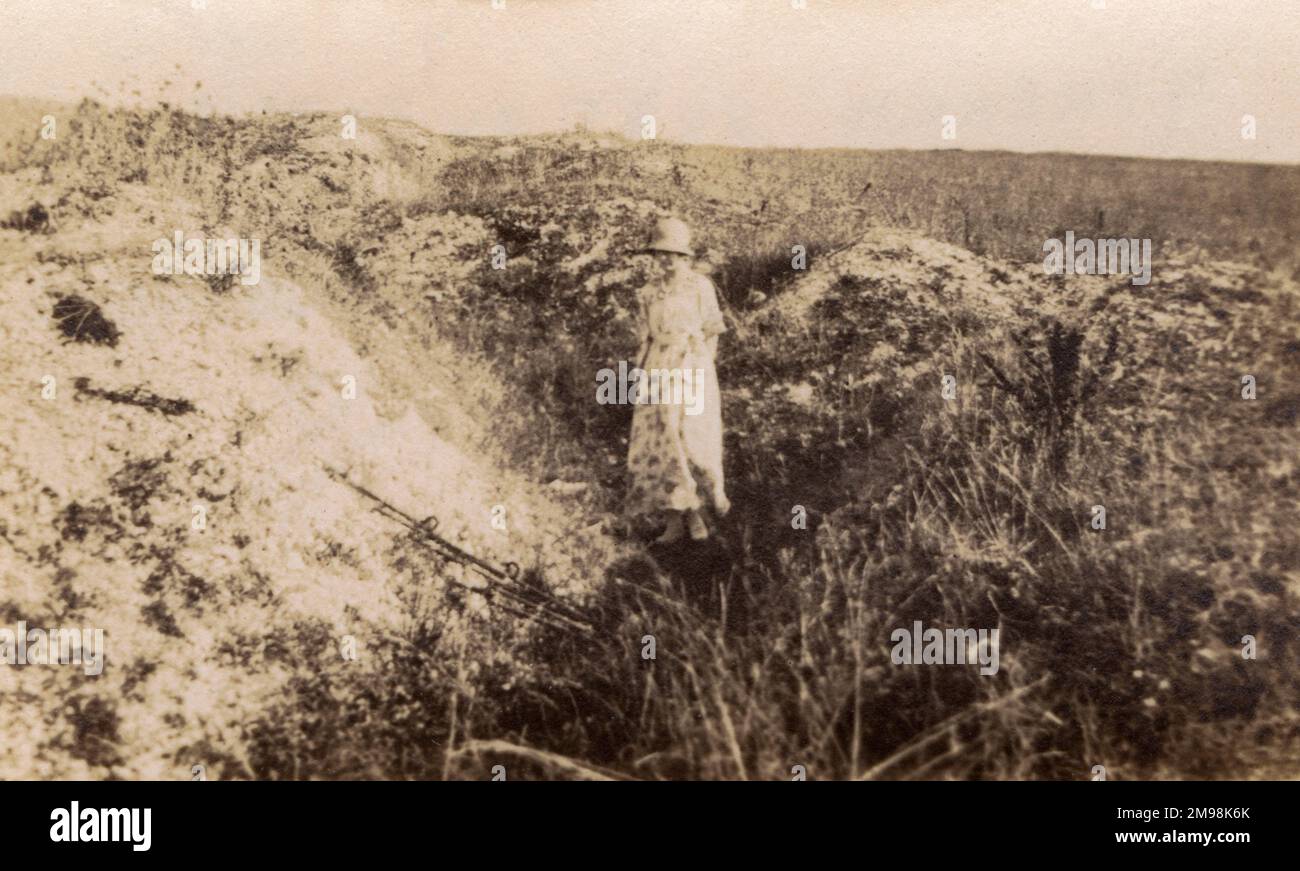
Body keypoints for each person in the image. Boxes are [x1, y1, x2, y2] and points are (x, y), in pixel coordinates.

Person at [625, 216, 730, 543]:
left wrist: (702, 366)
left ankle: (704, 505)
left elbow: (712, 329)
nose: (666, 259)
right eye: (660, 253)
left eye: (673, 253)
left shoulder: (700, 286)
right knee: (661, 440)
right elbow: (643, 338)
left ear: (686, 256)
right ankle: (675, 520)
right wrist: (638, 376)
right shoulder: (648, 292)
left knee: (690, 435)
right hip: (658, 366)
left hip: (692, 363)